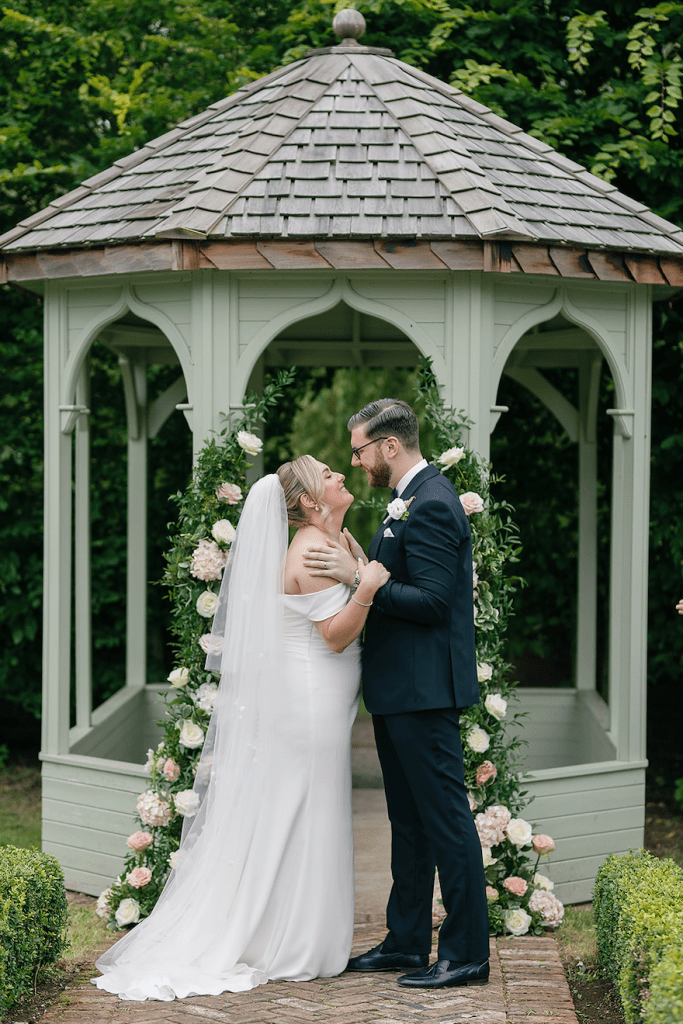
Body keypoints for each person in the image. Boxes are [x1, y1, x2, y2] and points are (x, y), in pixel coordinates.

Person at [93, 456, 389, 1001]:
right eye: (327, 474)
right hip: (310, 698)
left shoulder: (337, 538)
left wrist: (360, 570)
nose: (339, 475)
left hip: (325, 697)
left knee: (311, 807)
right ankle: (292, 941)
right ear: (309, 501)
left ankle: (302, 933)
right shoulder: (311, 549)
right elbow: (334, 635)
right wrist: (367, 585)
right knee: (305, 809)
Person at [304, 399, 490, 989]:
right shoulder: (407, 500)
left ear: (389, 446)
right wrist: (362, 566)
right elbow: (400, 580)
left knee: (446, 821)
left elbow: (433, 602)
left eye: (359, 450)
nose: (356, 462)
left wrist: (355, 578)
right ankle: (407, 942)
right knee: (409, 824)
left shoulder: (431, 502)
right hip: (399, 690)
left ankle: (466, 953)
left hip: (424, 691)